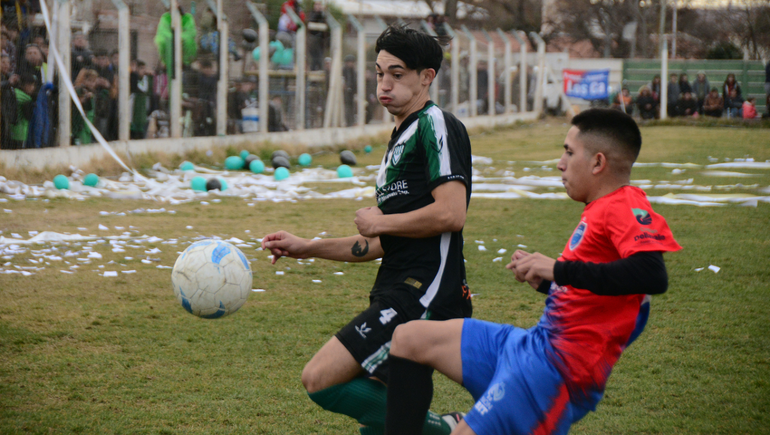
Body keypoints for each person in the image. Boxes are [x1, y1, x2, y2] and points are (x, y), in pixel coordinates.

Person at [383, 108, 681, 435]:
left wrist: (557, 269)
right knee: (409, 338)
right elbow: (599, 288)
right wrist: (547, 281)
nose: (560, 162)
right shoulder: (599, 208)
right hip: (531, 344)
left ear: (598, 163)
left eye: (569, 152)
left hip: (554, 374)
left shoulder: (623, 204)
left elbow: (652, 274)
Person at [261, 25, 473, 435]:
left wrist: (381, 220)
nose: (384, 84)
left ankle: (447, 429)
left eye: (397, 74)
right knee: (380, 413)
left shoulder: (437, 125)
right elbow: (378, 243)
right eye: (379, 73)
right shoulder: (399, 136)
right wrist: (307, 247)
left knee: (320, 379)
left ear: (427, 77)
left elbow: (451, 213)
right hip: (397, 285)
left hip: (424, 292)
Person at [343, 54, 357, 126]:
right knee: (347, 106)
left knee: (352, 107)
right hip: (345, 92)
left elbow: (354, 81)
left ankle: (351, 121)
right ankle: (348, 121)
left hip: (352, 92)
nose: (350, 64)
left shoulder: (354, 71)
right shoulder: (344, 70)